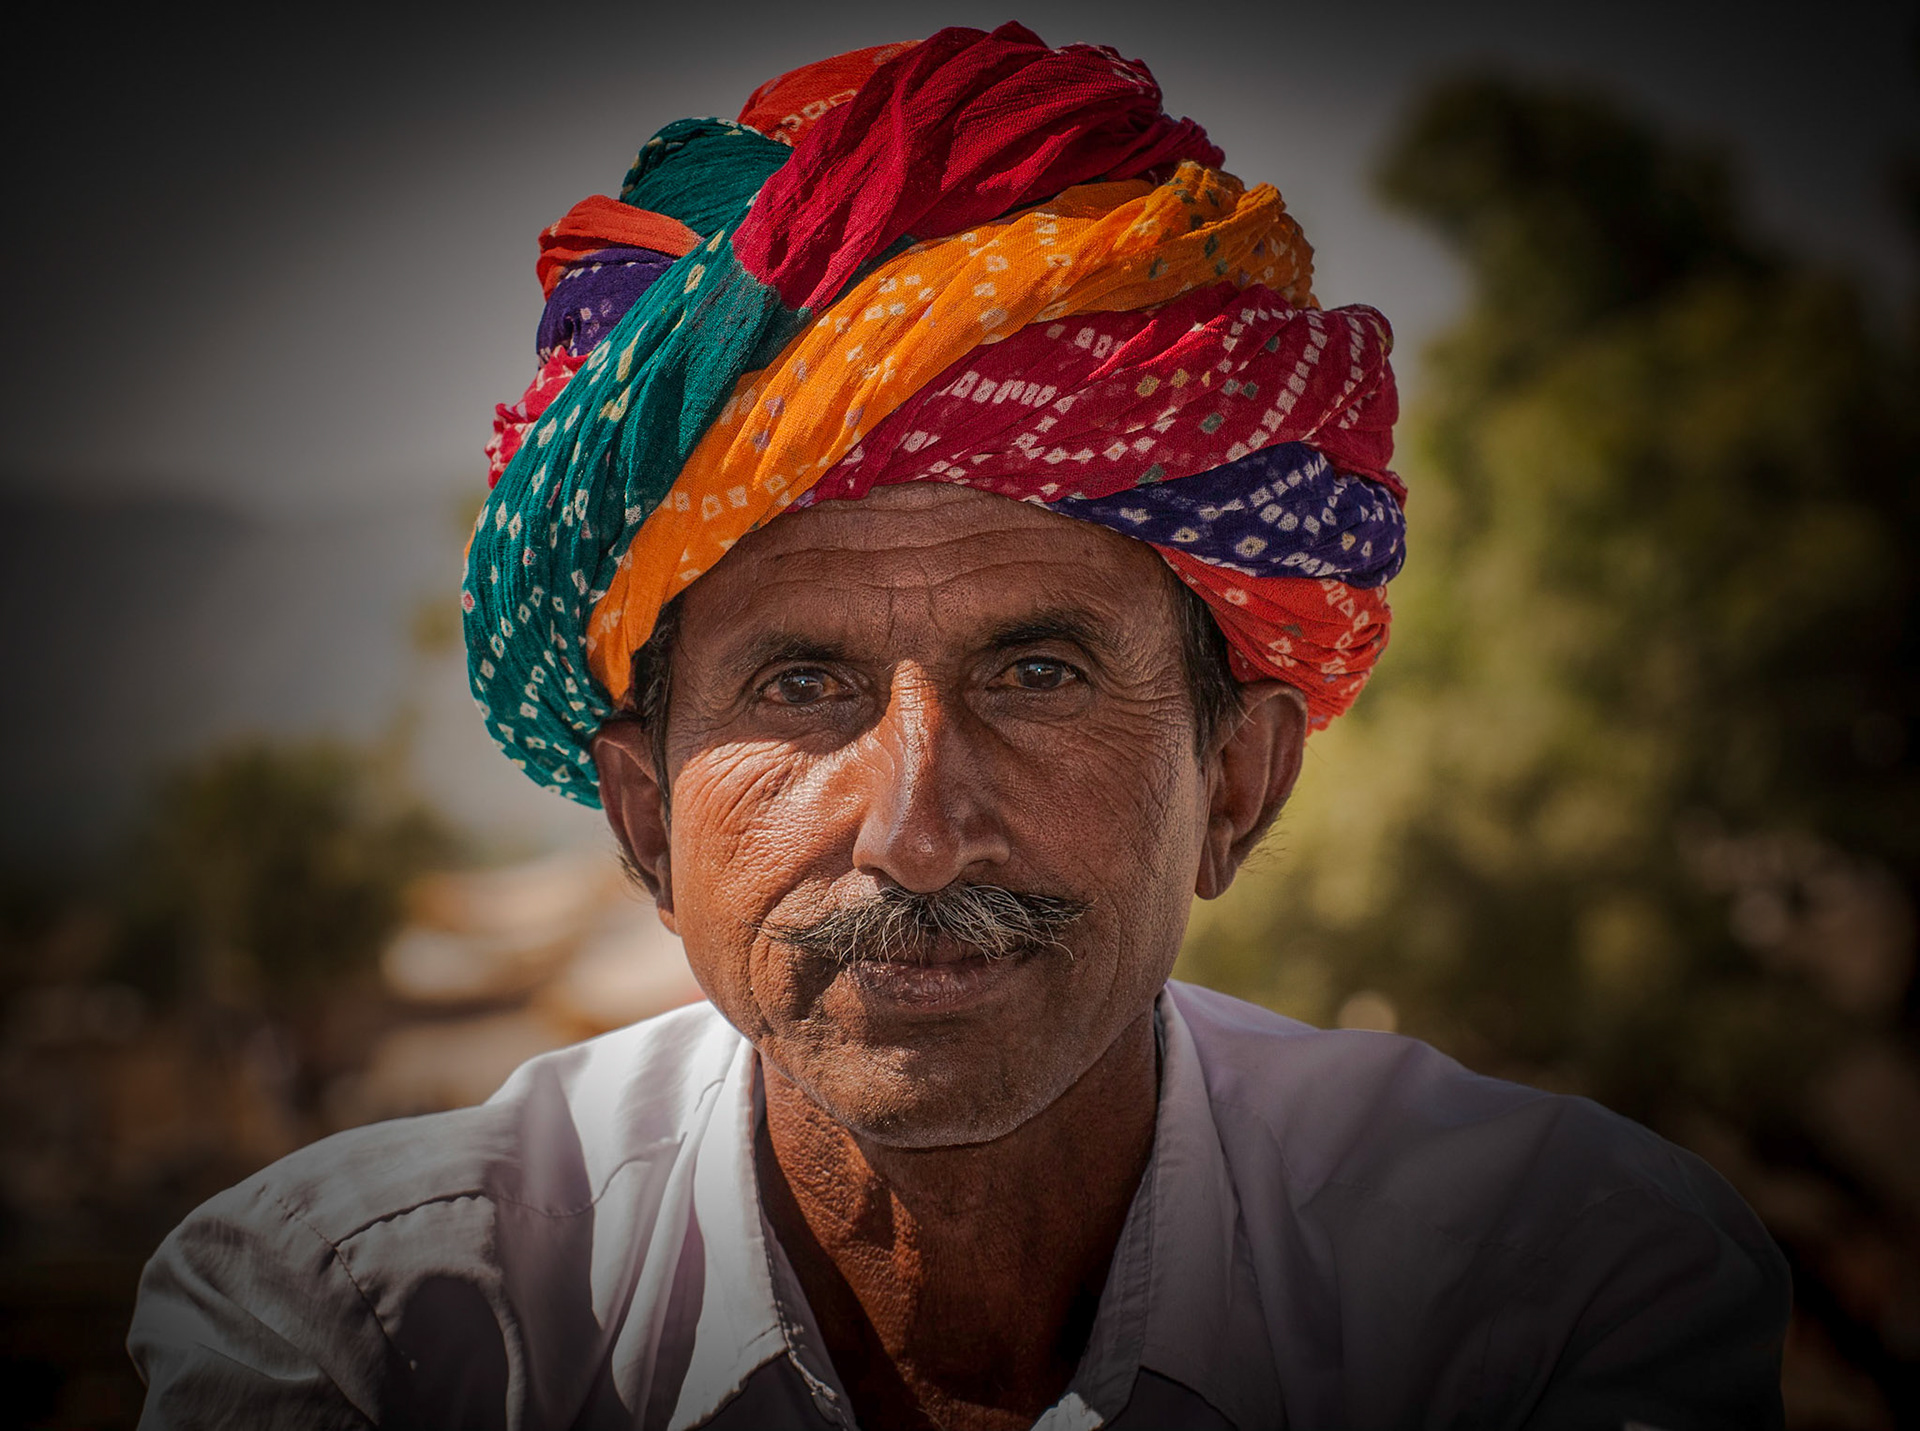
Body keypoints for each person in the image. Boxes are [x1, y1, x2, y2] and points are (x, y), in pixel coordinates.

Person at [129, 24, 1789, 1430]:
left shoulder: (1552, 1290)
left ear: (1236, 781)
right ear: (644, 819)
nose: (918, 829)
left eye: (1039, 675)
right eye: (802, 687)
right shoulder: (359, 1330)